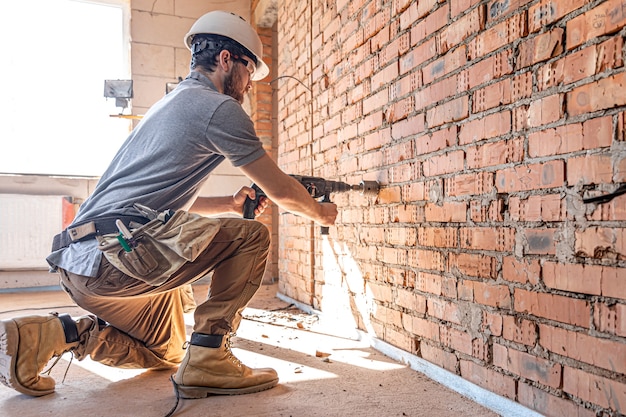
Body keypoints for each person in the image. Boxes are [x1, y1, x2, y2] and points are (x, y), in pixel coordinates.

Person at [0, 10, 337, 400]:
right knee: (251, 238)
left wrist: (229, 203)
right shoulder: (219, 108)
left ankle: (53, 334)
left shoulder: (171, 103)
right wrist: (319, 212)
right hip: (117, 256)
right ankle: (210, 355)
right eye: (248, 70)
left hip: (82, 265)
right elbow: (280, 190)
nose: (248, 85)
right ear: (226, 59)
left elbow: (155, 211)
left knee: (168, 350)